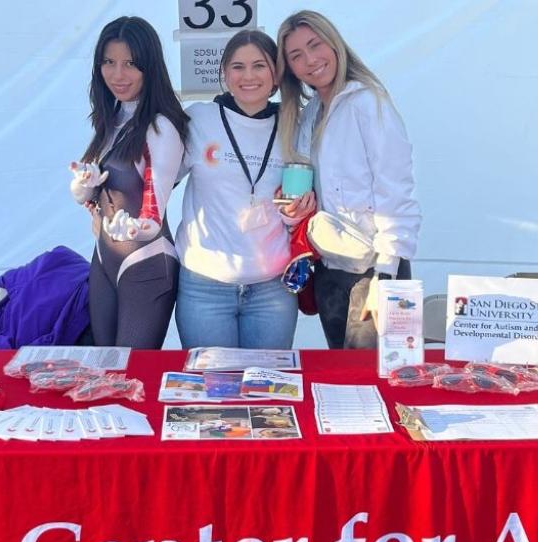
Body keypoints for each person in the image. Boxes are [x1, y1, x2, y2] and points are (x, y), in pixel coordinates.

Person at [277, 11, 421, 349]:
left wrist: (385, 277)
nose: (310, 60)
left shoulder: (368, 103)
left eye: (315, 45)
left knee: (377, 380)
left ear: (335, 43)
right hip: (330, 270)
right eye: (296, 55)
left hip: (374, 270)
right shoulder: (310, 113)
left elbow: (396, 191)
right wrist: (295, 212)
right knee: (345, 379)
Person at [174, 29, 316, 349]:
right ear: (224, 74)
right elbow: (158, 179)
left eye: (259, 66)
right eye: (237, 67)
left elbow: (304, 197)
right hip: (204, 286)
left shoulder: (296, 123)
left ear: (277, 74)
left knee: (266, 392)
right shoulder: (198, 118)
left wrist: (299, 212)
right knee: (210, 390)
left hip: (273, 289)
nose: (248, 76)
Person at [69, 16, 189, 348]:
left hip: (146, 263)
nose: (118, 74)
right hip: (104, 259)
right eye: (109, 62)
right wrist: (83, 188)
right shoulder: (112, 119)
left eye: (130, 64)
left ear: (149, 67)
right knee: (105, 370)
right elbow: (98, 197)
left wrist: (136, 228)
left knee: (133, 375)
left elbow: (153, 210)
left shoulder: (160, 126)